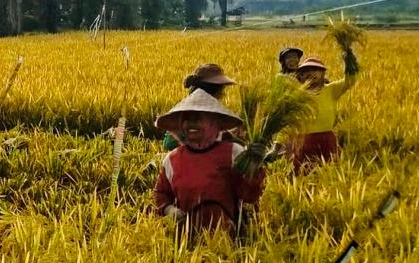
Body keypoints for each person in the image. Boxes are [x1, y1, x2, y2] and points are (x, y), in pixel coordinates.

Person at [153, 89, 266, 237]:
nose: (191, 123)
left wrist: (253, 168)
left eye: (198, 118)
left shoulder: (234, 152)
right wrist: (169, 210)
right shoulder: (172, 160)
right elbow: (160, 194)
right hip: (187, 241)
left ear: (215, 123)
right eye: (186, 119)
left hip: (228, 238)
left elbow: (250, 196)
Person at [289, 53, 358, 171]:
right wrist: (277, 145)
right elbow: (287, 121)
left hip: (327, 140)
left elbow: (350, 81)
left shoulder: (331, 90)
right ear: (301, 75)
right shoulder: (297, 96)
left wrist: (349, 62)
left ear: (322, 74)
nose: (311, 73)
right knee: (302, 174)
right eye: (307, 71)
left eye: (315, 70)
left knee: (329, 172)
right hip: (303, 142)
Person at [161, 63, 237, 150]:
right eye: (221, 91)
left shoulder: (213, 114)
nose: (223, 95)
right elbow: (169, 144)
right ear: (214, 93)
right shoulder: (187, 114)